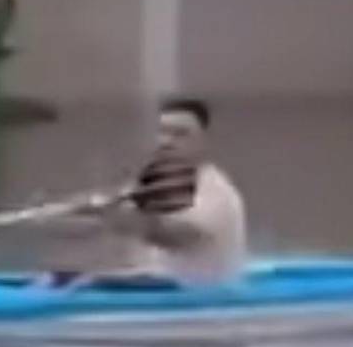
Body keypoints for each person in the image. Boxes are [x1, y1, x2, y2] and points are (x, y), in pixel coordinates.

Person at [44, 97, 247, 287]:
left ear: (204, 140)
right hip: (161, 289)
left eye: (180, 134)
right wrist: (65, 214)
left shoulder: (215, 192)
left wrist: (114, 214)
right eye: (162, 132)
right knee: (59, 281)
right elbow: (99, 226)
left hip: (196, 303)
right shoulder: (149, 186)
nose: (167, 142)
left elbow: (177, 236)